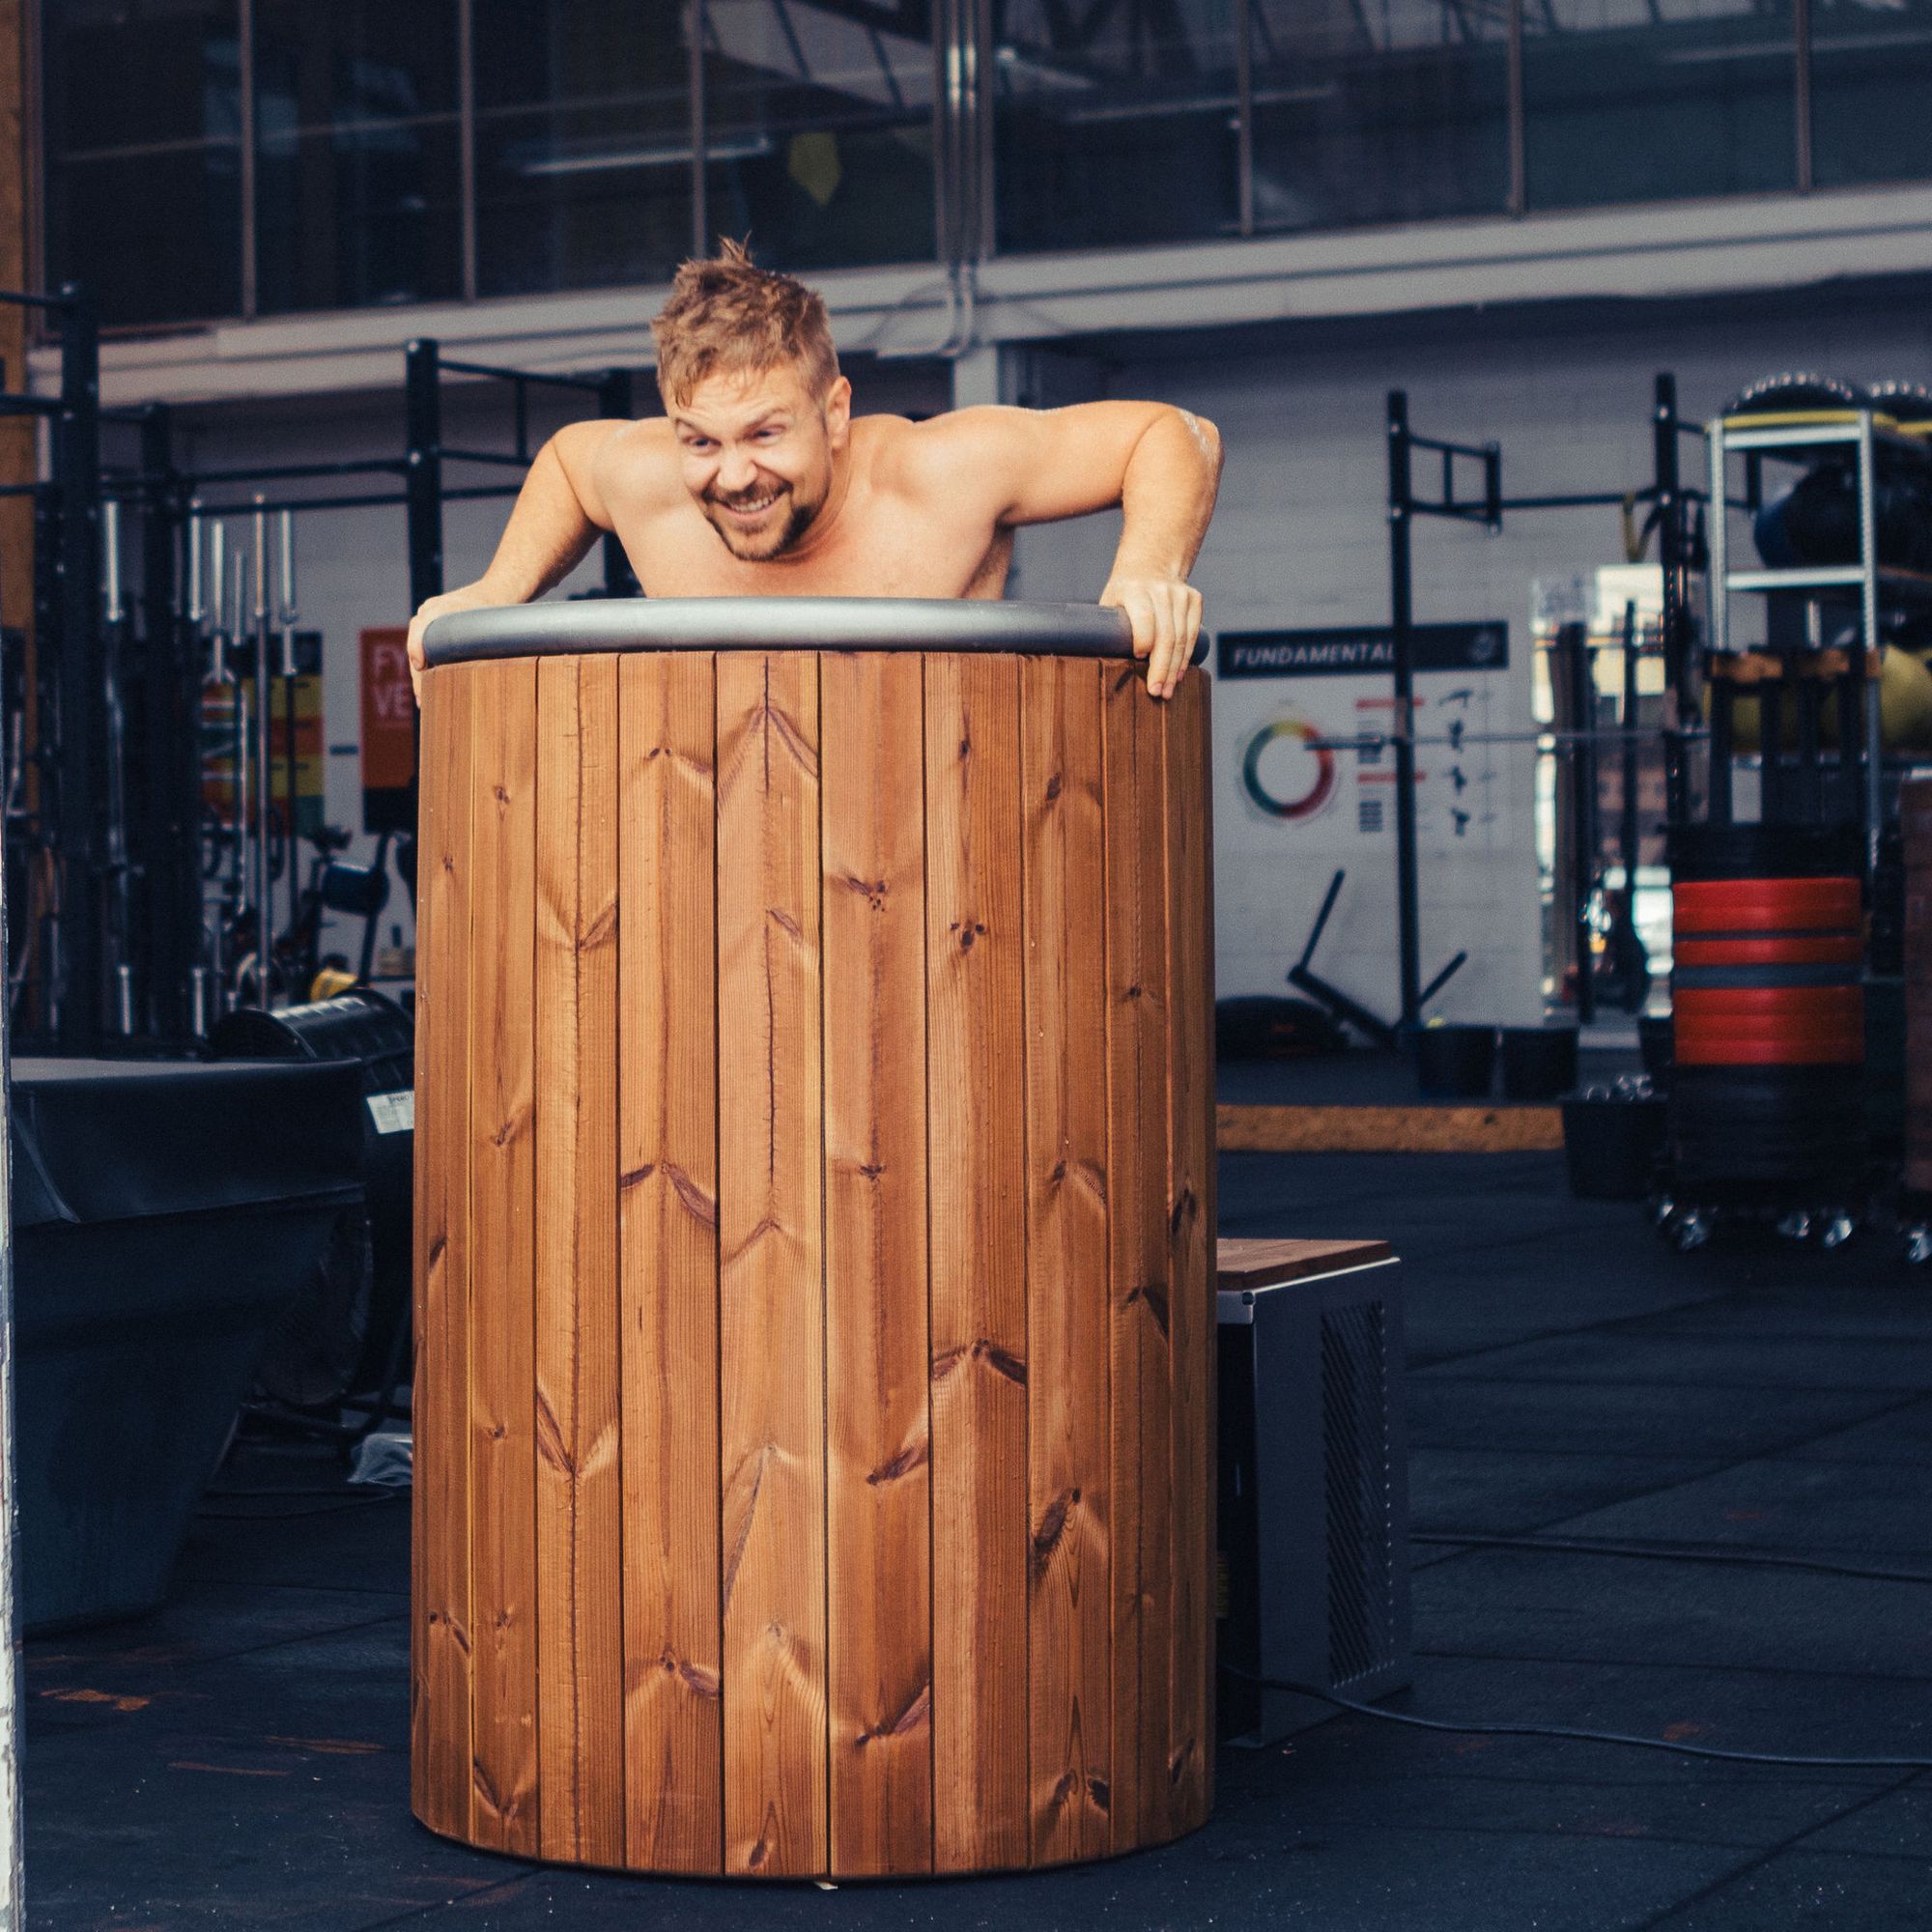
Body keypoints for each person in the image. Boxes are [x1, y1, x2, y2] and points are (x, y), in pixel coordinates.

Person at [407, 242, 1221, 702]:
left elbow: (1173, 433)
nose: (733, 475)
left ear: (834, 413)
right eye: (700, 441)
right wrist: (493, 591)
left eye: (764, 433)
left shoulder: (939, 472)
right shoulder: (648, 480)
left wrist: (1148, 569)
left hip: (938, 876)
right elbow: (568, 462)